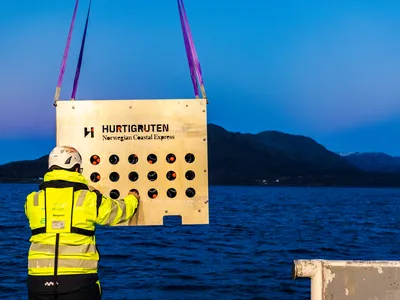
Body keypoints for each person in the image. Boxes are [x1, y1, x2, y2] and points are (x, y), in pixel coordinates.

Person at [24, 146, 140, 300]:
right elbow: (116, 212)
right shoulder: (88, 199)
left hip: (39, 282)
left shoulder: (33, 200)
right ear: (77, 168)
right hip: (78, 282)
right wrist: (133, 199)